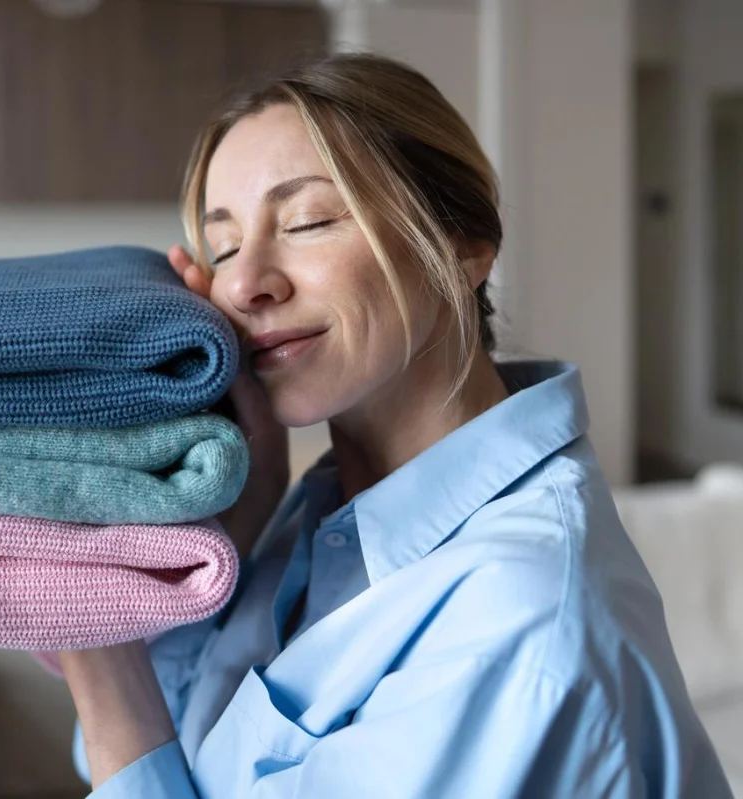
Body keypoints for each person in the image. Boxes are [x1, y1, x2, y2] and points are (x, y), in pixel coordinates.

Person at [55, 53, 732, 797]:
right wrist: (233, 534)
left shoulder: (515, 625)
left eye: (308, 219)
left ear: (462, 241)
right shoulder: (326, 513)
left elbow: (124, 745)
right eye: (224, 247)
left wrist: (102, 661)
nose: (245, 283)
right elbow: (180, 754)